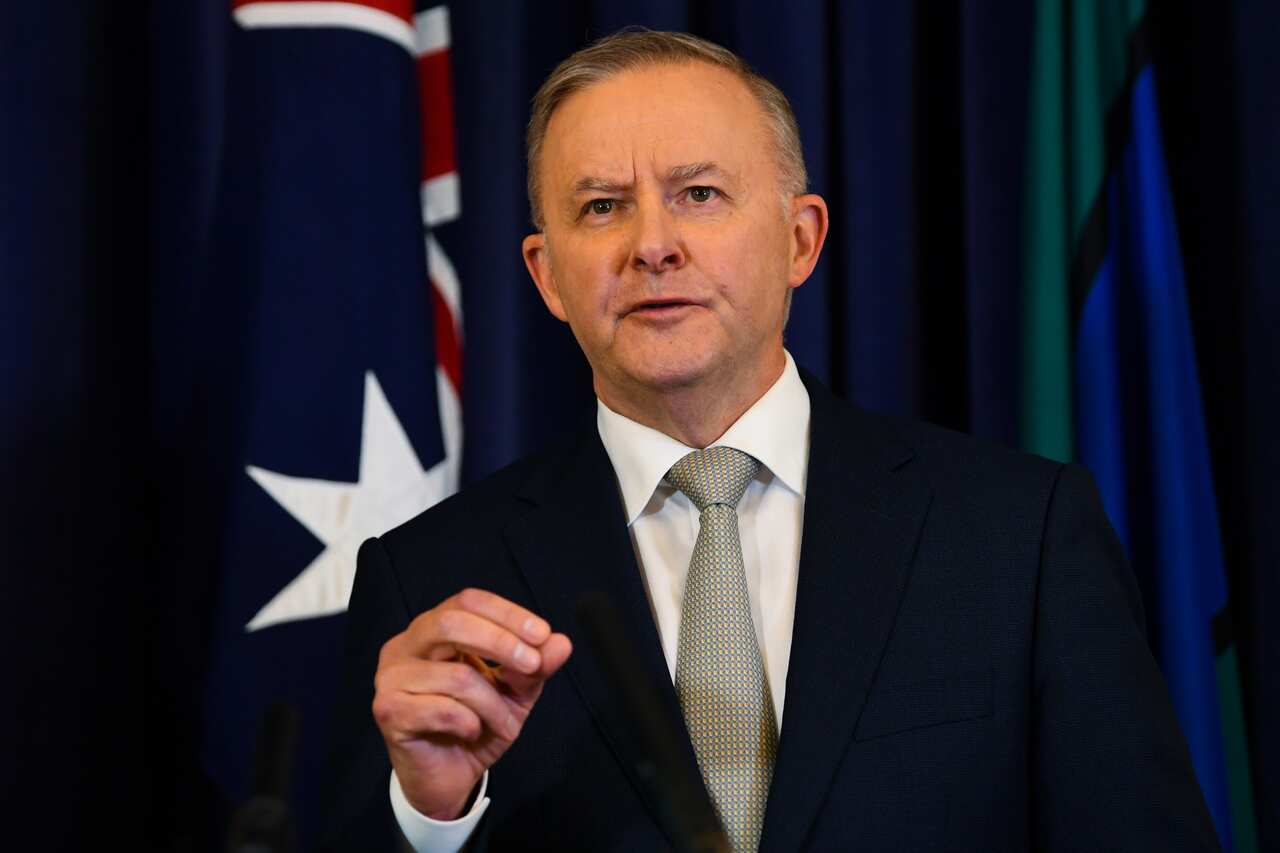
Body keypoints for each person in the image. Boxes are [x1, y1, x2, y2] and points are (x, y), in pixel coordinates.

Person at [321, 30, 1221, 853]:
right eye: (601, 207)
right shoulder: (431, 577)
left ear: (801, 238)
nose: (653, 245)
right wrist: (429, 813)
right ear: (547, 274)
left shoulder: (1017, 533)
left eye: (699, 194)